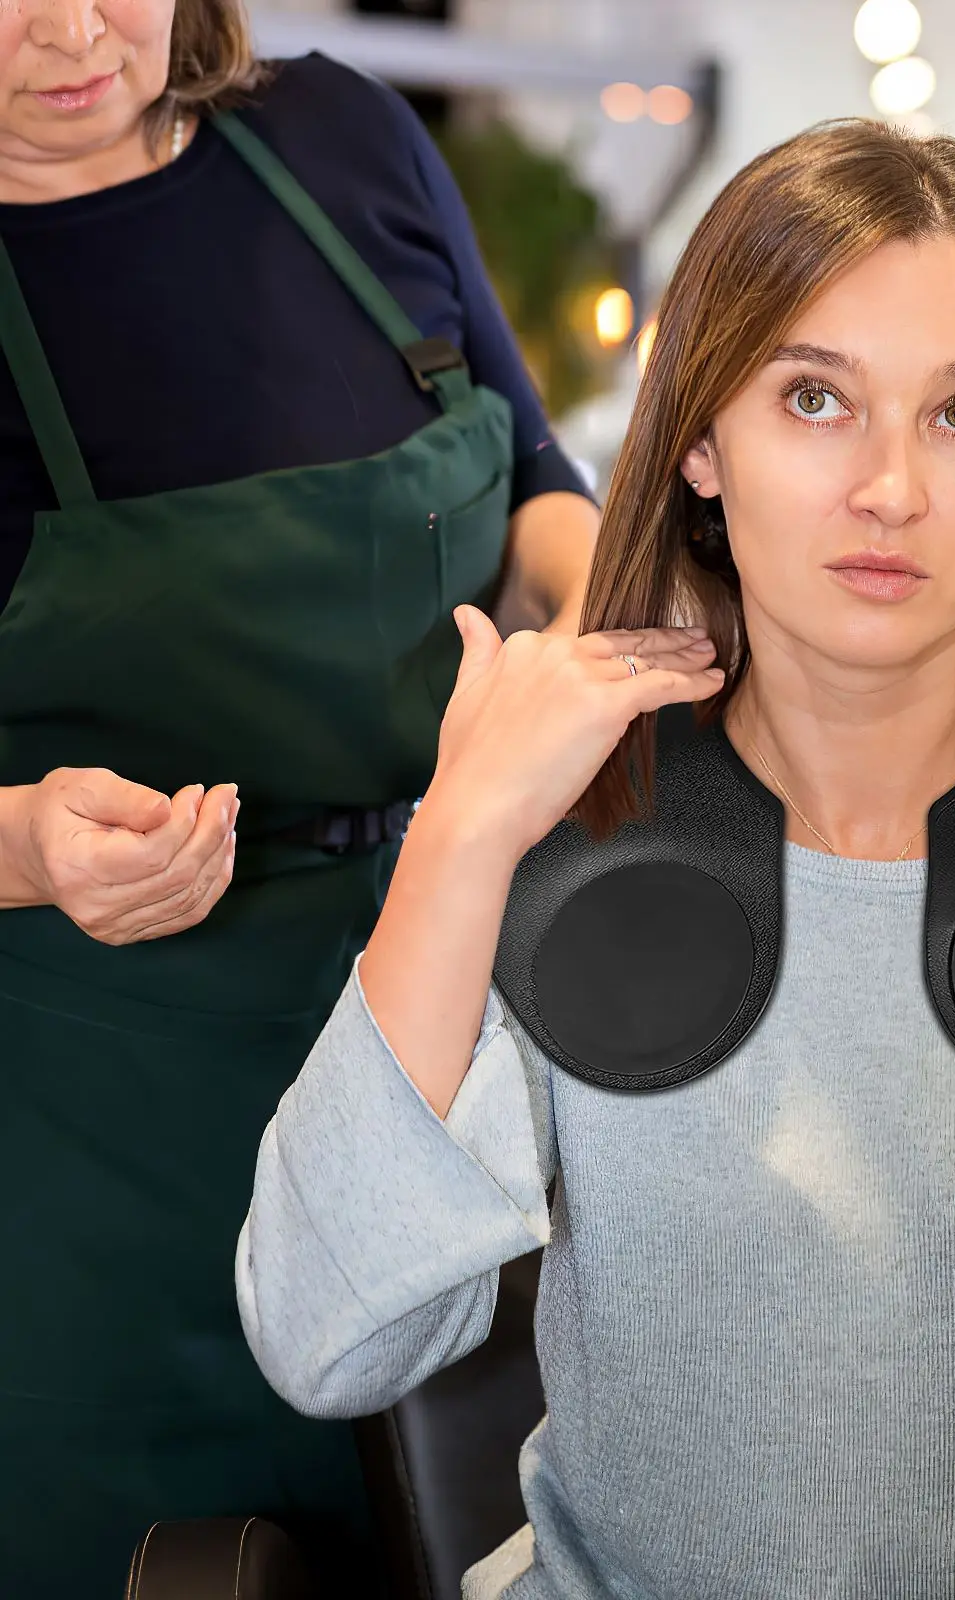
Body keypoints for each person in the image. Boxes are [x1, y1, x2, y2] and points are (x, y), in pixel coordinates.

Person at [238, 121, 955, 1599]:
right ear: (700, 442)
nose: (892, 489)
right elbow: (323, 1330)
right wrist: (464, 834)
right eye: (816, 399)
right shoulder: (565, 843)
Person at [0, 1, 597, 1593]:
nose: (69, 29)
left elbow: (535, 473)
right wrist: (20, 845)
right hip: (105, 1122)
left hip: (451, 1021)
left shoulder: (342, 138)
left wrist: (649, 631)